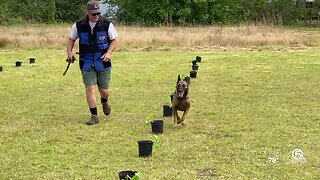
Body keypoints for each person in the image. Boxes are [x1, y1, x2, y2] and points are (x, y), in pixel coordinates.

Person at [66, 0, 118, 125]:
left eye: (98, 13)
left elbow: (114, 40)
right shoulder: (78, 25)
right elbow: (71, 39)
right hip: (86, 61)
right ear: (87, 12)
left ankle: (104, 101)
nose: (96, 16)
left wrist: (109, 53)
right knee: (90, 88)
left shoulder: (107, 24)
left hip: (103, 61)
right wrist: (69, 52)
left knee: (104, 90)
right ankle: (94, 116)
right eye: (93, 14)